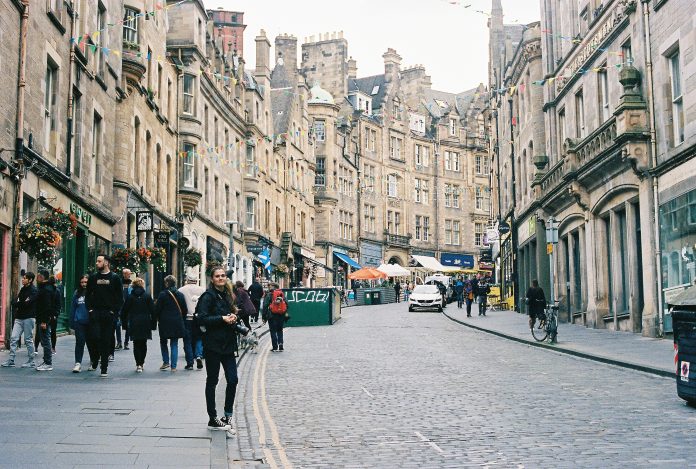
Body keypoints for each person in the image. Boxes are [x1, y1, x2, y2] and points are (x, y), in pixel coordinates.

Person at [196, 266, 241, 430]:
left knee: (233, 379)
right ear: (212, 279)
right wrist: (222, 318)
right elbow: (201, 318)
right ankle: (212, 418)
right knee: (212, 381)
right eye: (217, 276)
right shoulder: (207, 297)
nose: (221, 278)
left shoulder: (227, 295)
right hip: (213, 345)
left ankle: (227, 415)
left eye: (223, 275)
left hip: (228, 344)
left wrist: (233, 317)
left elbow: (229, 315)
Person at [85, 254, 124, 378]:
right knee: (94, 338)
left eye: (99, 261)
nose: (97, 263)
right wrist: (90, 310)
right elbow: (88, 295)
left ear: (106, 263)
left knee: (106, 340)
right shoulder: (93, 278)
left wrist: (114, 312)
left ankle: (104, 368)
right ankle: (95, 360)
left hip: (108, 313)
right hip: (95, 313)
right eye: (97, 261)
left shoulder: (115, 278)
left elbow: (120, 297)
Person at [2, 272, 38, 368]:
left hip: (29, 317)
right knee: (13, 338)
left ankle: (31, 361)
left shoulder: (34, 291)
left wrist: (19, 303)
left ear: (30, 280)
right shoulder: (23, 289)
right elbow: (14, 301)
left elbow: (26, 303)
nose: (23, 279)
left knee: (28, 340)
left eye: (25, 278)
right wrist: (20, 302)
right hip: (19, 317)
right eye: (23, 277)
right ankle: (11, 360)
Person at [121, 277, 155, 373]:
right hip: (145, 322)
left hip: (134, 321)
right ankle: (142, 362)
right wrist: (153, 324)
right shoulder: (147, 296)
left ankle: (138, 364)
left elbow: (124, 311)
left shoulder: (130, 297)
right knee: (143, 343)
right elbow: (153, 311)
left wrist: (124, 324)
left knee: (136, 343)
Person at [155, 275, 187, 372]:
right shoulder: (180, 295)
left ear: (166, 283)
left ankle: (166, 362)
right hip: (176, 322)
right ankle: (173, 367)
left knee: (163, 342)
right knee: (174, 343)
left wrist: (157, 318)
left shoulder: (162, 295)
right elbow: (184, 310)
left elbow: (157, 309)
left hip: (164, 322)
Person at [179, 274, 206, 370]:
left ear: (187, 280)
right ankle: (198, 355)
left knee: (187, 340)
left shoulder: (181, 290)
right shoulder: (202, 290)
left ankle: (190, 363)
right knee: (199, 338)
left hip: (186, 319)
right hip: (198, 318)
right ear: (196, 280)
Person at [70, 275, 96, 373]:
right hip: (79, 321)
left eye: (85, 282)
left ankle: (93, 361)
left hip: (91, 321)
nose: (84, 284)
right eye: (82, 282)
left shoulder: (93, 292)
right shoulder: (77, 293)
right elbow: (73, 307)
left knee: (91, 343)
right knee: (79, 342)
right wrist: (72, 321)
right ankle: (78, 363)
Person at [35, 270, 56, 371]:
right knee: (45, 340)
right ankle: (46, 361)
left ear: (42, 277)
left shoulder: (46, 290)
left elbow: (46, 306)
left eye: (38, 276)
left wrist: (44, 321)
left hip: (44, 319)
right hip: (43, 318)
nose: (37, 278)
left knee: (45, 340)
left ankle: (48, 363)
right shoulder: (46, 288)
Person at [262, 283, 288, 352]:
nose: (269, 288)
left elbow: (265, 306)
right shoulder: (282, 294)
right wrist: (283, 312)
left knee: (273, 330)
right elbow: (287, 304)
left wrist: (264, 317)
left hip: (272, 315)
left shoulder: (269, 295)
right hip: (281, 315)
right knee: (280, 330)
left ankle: (275, 347)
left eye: (270, 286)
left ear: (273, 287)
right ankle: (281, 345)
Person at [118, 268, 133, 350]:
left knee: (128, 325)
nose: (129, 275)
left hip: (128, 307)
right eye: (127, 273)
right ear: (123, 274)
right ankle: (119, 342)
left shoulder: (132, 283)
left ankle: (126, 342)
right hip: (120, 306)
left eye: (129, 273)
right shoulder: (119, 282)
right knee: (117, 324)